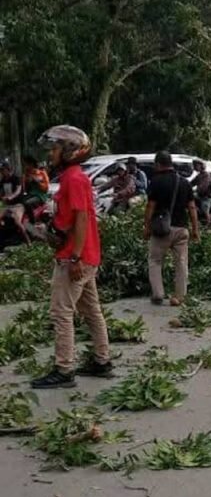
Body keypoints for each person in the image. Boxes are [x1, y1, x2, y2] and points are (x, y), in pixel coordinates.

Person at [31, 125, 111, 389]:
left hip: (75, 257)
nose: (50, 154)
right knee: (91, 310)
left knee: (61, 312)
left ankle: (64, 369)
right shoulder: (74, 177)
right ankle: (102, 360)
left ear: (69, 151)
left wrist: (74, 257)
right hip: (86, 254)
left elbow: (82, 218)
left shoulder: (74, 179)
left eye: (54, 149)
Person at [144, 151, 199, 306]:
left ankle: (158, 294)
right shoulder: (184, 182)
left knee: (155, 260)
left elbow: (150, 207)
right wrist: (195, 229)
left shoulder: (156, 181)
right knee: (181, 263)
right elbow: (192, 207)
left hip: (162, 229)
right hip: (182, 228)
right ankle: (179, 296)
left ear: (157, 164)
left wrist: (147, 227)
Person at [0, 159, 28, 243]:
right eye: (0, 170)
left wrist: (11, 197)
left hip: (18, 205)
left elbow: (18, 191)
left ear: (8, 169)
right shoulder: (3, 180)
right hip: (8, 205)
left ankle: (28, 241)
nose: (1, 172)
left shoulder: (16, 178)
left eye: (3, 170)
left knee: (17, 221)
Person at [191, 159, 211, 224]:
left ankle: (209, 223)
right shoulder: (198, 176)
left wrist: (196, 190)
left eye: (196, 165)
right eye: (194, 165)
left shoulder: (206, 175)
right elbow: (192, 183)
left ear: (201, 166)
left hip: (206, 196)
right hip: (199, 195)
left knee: (204, 210)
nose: (195, 167)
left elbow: (204, 186)